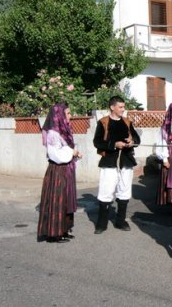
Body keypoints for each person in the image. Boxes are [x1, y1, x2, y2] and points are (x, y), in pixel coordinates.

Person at [93, 96, 140, 234]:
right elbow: (97, 142)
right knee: (106, 191)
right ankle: (101, 224)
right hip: (109, 162)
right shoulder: (103, 123)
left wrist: (132, 141)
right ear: (112, 107)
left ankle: (120, 221)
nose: (123, 109)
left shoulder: (127, 122)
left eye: (123, 107)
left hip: (125, 161)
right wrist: (114, 144)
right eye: (120, 107)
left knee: (124, 191)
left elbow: (137, 139)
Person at [37, 103, 82, 243]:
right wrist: (71, 152)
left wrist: (74, 154)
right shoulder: (53, 133)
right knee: (58, 201)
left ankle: (64, 230)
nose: (70, 116)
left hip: (66, 169)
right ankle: (53, 234)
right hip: (57, 171)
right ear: (59, 115)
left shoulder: (65, 130)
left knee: (67, 199)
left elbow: (65, 149)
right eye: (68, 113)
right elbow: (54, 154)